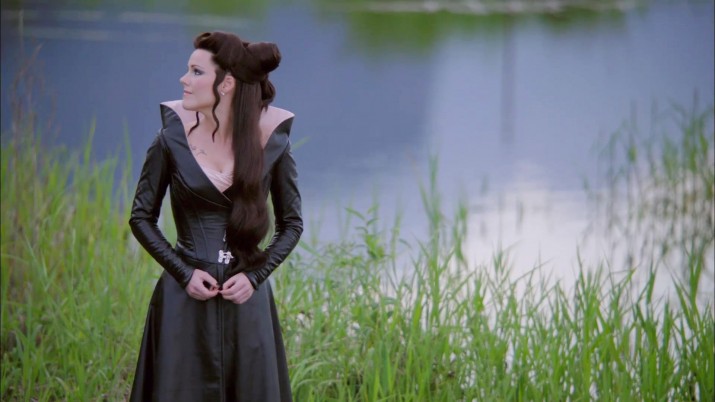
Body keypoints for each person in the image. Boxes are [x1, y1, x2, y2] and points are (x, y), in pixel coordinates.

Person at [128, 31, 302, 401]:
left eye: (196, 72)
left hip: (247, 301)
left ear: (226, 84)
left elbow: (292, 224)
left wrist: (255, 276)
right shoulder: (170, 138)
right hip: (183, 299)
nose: (183, 80)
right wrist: (184, 272)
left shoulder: (272, 141)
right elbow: (141, 217)